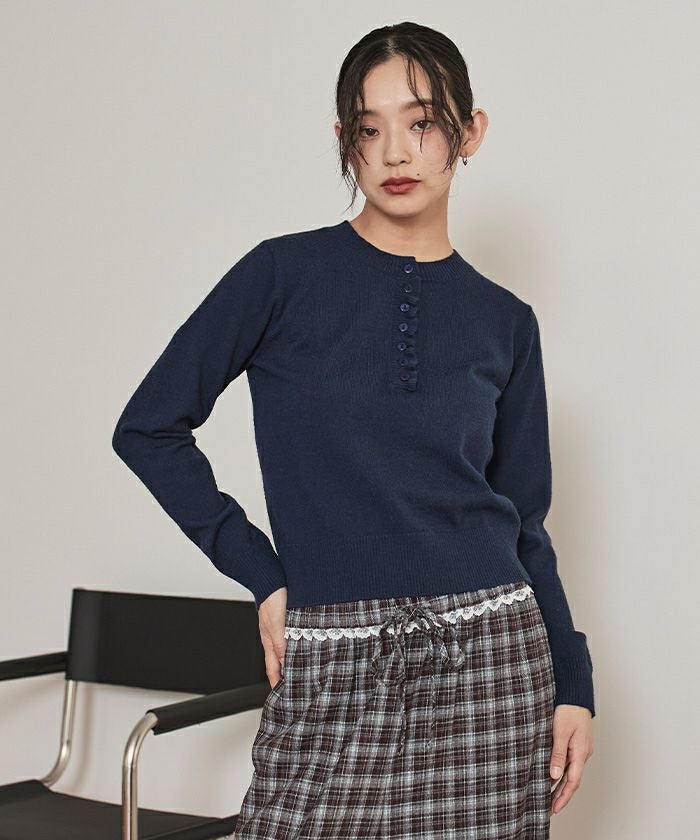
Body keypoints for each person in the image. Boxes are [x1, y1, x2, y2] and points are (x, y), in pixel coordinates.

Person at [112, 20, 594, 839]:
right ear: (345, 140)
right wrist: (262, 575)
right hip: (332, 649)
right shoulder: (280, 275)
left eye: (423, 123)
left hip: (493, 658)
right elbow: (148, 427)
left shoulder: (505, 322)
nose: (396, 152)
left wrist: (573, 684)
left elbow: (525, 523)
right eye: (370, 130)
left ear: (470, 131)